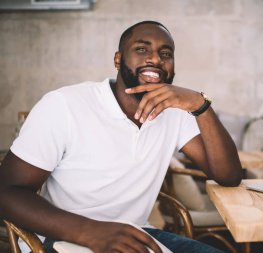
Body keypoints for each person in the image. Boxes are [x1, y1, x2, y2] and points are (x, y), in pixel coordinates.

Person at [0, 20, 242, 253]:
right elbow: (7, 191)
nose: (156, 58)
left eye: (166, 54)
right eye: (141, 49)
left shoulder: (175, 113)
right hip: (61, 236)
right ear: (118, 59)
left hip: (136, 235)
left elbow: (228, 175)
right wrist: (90, 231)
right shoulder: (64, 104)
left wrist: (200, 105)